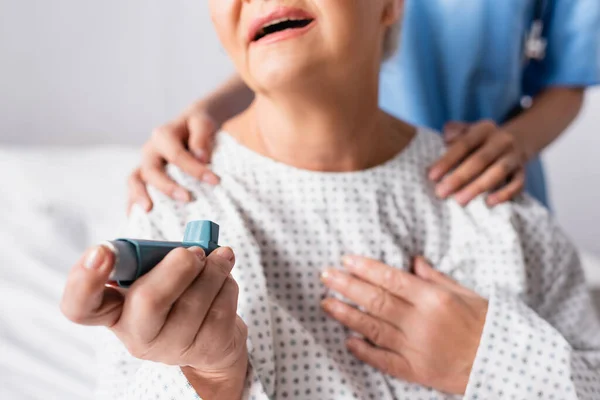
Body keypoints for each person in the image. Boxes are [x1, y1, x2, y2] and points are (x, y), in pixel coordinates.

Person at [61, 0, 600, 399]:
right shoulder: (180, 206)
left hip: (475, 168)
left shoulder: (506, 226)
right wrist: (212, 377)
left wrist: (490, 359)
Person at [126, 0, 599, 213]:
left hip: (480, 180)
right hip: (342, 181)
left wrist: (513, 144)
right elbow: (290, 30)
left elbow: (569, 76)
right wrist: (209, 110)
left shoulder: (507, 231)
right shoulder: (191, 206)